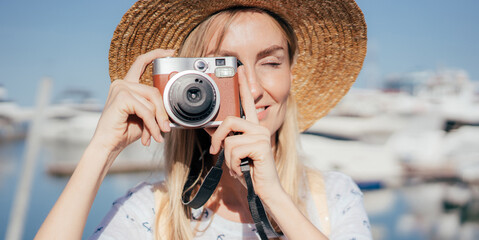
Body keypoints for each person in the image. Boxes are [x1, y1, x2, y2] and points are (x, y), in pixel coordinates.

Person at [35, 0, 370, 239]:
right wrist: (102, 150)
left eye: (270, 62)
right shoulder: (151, 213)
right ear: (187, 85)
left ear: (292, 76)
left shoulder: (333, 197)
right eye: (225, 67)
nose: (252, 89)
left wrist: (273, 197)